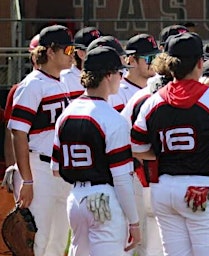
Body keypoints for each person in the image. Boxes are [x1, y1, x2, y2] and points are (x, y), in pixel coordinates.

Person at [130, 32, 209, 256]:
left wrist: (167, 153)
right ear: (200, 63)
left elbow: (138, 148)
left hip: (164, 189)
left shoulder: (153, 101)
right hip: (201, 187)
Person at [50, 46, 141, 255]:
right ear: (108, 75)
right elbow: (122, 178)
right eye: (120, 72)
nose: (123, 76)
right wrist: (134, 222)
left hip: (75, 199)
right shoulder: (113, 118)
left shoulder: (65, 114)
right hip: (104, 200)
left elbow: (56, 169)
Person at [7, 24, 75, 256]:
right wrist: (26, 179)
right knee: (36, 240)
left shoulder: (63, 81)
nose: (72, 54)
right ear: (50, 52)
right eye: (67, 50)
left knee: (58, 241)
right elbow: (18, 133)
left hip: (59, 169)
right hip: (38, 168)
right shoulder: (32, 85)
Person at [120, 53, 172, 256]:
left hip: (138, 177)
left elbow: (125, 139)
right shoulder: (174, 95)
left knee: (138, 244)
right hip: (157, 178)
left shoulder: (140, 96)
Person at [2, 33, 41, 202]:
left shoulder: (65, 85)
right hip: (33, 162)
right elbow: (12, 133)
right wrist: (13, 166)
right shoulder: (21, 88)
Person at [108, 34, 160, 111]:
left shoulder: (157, 87)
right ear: (132, 60)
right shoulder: (117, 93)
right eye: (149, 58)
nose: (154, 62)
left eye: (156, 57)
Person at [61, 26, 102, 100]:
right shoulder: (64, 79)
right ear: (81, 54)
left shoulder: (110, 77)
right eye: (95, 50)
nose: (102, 54)